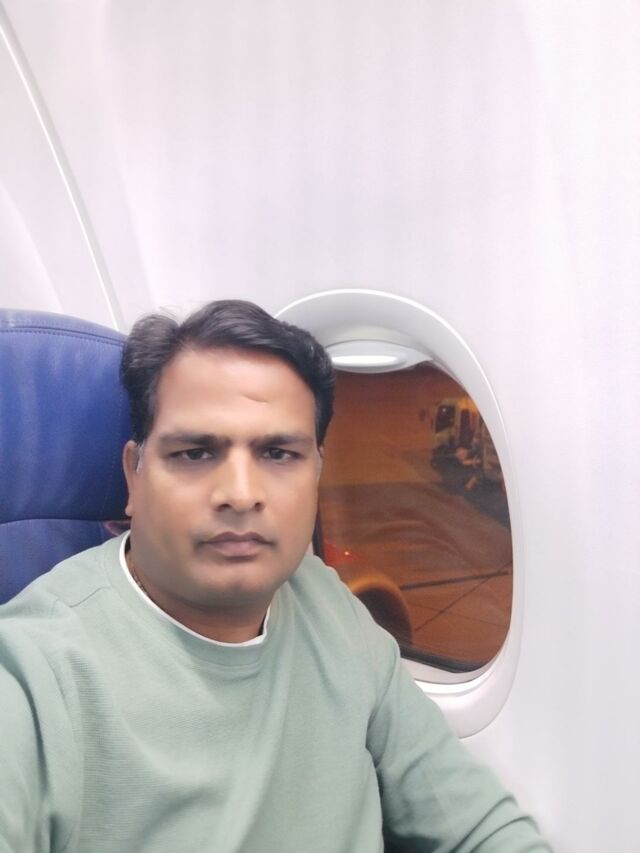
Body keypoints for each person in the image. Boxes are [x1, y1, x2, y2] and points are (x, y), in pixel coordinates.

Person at [0, 300, 551, 852]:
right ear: (134, 476)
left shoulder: (328, 605)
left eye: (279, 453)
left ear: (317, 473)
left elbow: (480, 829)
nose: (241, 494)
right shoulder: (36, 673)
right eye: (195, 453)